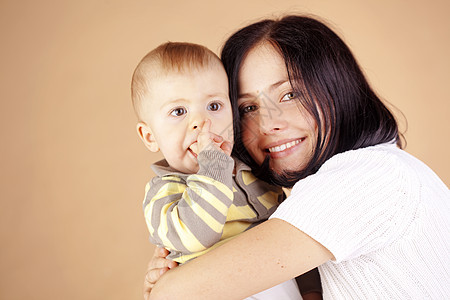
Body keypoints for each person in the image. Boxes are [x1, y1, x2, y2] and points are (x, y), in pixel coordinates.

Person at [145, 16, 450, 299]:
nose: (268, 123)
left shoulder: (367, 176)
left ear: (338, 86)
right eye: (247, 108)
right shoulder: (369, 174)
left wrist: (171, 280)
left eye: (290, 95)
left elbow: (173, 295)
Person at [131, 42, 322, 299]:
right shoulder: (164, 192)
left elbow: (291, 231)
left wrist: (311, 290)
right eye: (179, 111)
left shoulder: (253, 174)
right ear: (149, 136)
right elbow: (198, 235)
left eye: (214, 106)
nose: (202, 122)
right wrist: (214, 167)